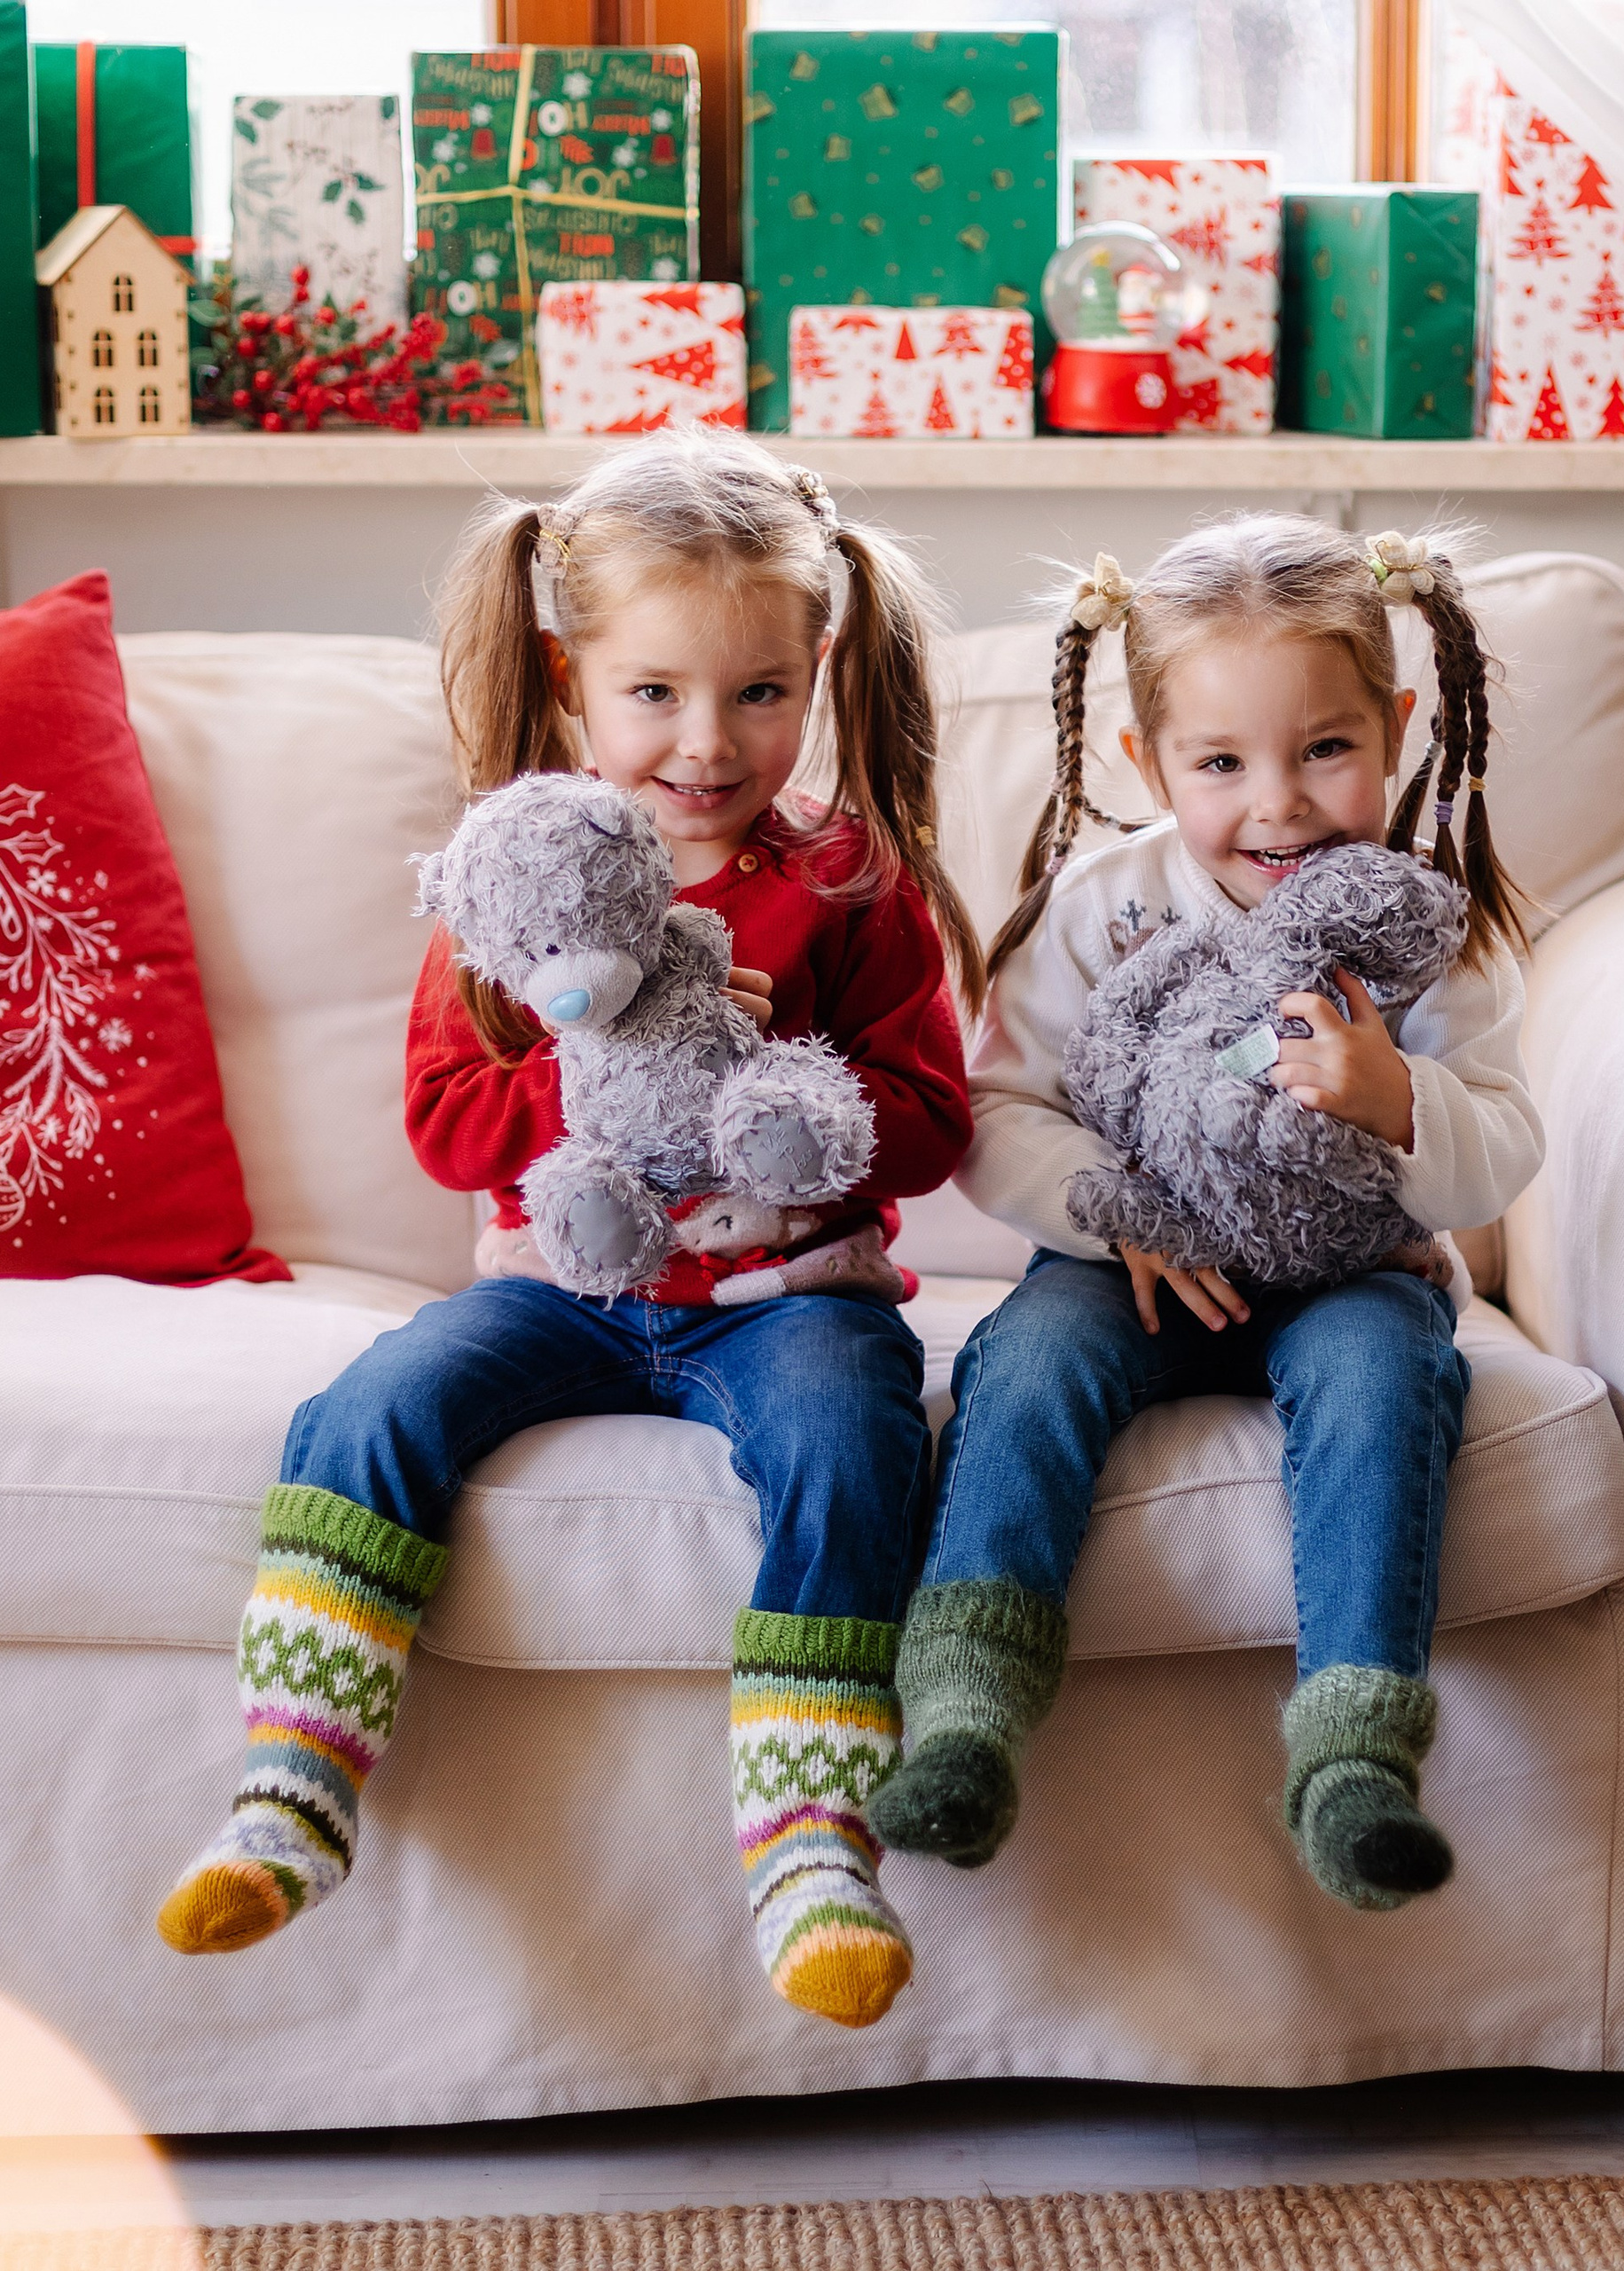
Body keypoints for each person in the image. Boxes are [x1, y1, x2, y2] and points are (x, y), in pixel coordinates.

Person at [157, 430, 977, 2031]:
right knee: (371, 1408)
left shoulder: (853, 883)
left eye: (757, 692)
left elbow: (935, 1123)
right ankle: (292, 1787)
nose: (706, 742)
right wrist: (590, 1069)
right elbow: (447, 1122)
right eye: (655, 693)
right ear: (571, 679)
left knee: (855, 1437)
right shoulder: (513, 884)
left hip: (783, 1296)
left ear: (818, 668)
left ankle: (810, 1828)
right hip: (561, 1292)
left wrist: (789, 1084)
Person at [868, 514, 1545, 1913]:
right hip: (1141, 1255)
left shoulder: (1428, 928)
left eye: (1325, 750)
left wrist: (1399, 1099)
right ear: (1149, 764)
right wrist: (1114, 1218)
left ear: (1398, 730)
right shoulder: (1101, 907)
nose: (1279, 805)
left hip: (1355, 1265)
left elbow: (1505, 1147)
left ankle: (1356, 1753)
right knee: (1032, 1364)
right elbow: (1000, 1113)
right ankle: (965, 1710)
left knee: (1381, 1380)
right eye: (1222, 764)